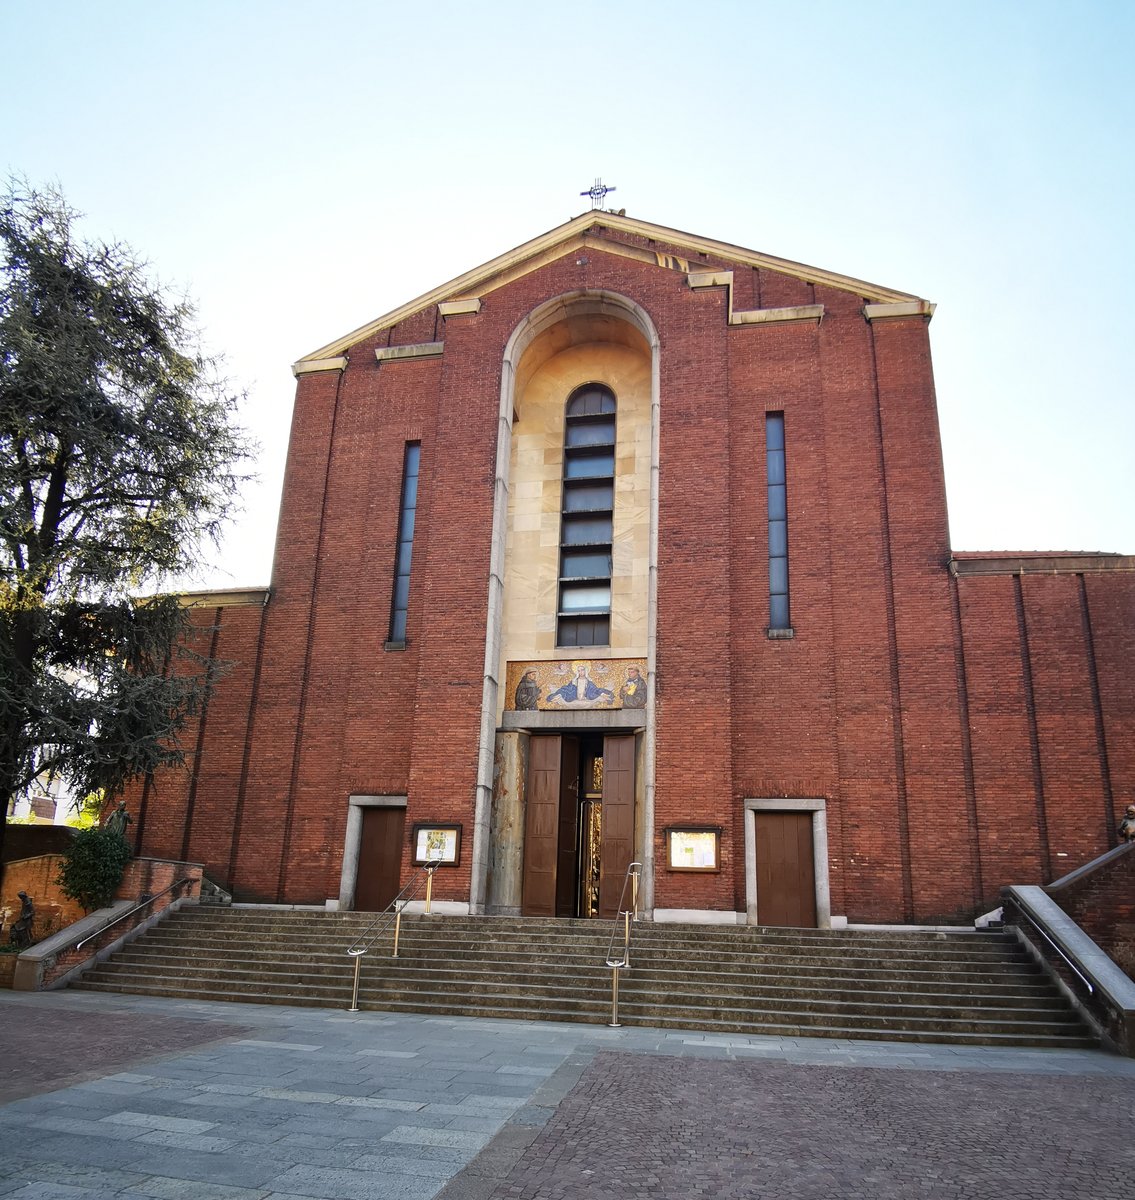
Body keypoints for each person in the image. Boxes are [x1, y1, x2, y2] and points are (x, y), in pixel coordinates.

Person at [547, 664, 614, 705]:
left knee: (600, 691)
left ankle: (606, 695)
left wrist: (601, 694)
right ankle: (556, 696)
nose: (580, 672)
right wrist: (560, 694)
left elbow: (594, 689)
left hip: (585, 697)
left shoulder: (588, 681)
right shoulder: (574, 680)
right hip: (574, 696)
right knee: (563, 690)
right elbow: (568, 689)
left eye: (582, 670)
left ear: (585, 671)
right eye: (579, 670)